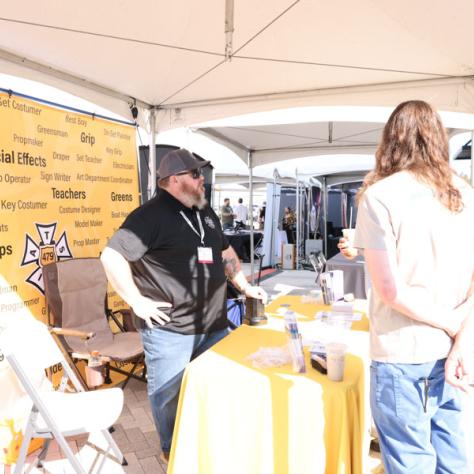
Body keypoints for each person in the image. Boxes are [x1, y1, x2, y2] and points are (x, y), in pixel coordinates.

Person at [100, 149, 268, 462]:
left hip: (213, 323)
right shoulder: (148, 216)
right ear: (174, 180)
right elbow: (111, 257)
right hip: (170, 329)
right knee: (169, 395)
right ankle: (171, 450)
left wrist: (245, 287)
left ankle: (205, 438)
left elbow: (225, 251)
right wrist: (136, 301)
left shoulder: (204, 209)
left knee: (216, 385)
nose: (201, 179)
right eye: (195, 174)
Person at [351, 101, 474, 473]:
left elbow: (390, 291)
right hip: (450, 351)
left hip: (402, 353)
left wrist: (455, 329)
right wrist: (460, 336)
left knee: (409, 462)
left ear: (391, 139)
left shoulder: (380, 196)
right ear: (438, 139)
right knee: (451, 457)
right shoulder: (464, 193)